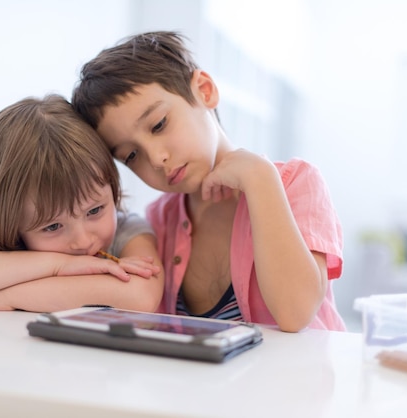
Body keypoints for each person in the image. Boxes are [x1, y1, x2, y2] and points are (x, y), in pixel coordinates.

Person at [71, 31, 346, 332]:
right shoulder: (160, 222)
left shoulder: (297, 184)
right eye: (131, 155)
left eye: (159, 124)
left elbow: (295, 312)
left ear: (204, 90)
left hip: (297, 377)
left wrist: (259, 178)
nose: (156, 158)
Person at [0, 94, 163, 312]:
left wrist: (5, 297)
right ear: (12, 222)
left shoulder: (128, 232)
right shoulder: (8, 243)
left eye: (95, 210)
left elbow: (141, 297)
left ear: (113, 189)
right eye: (53, 226)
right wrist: (59, 265)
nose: (83, 241)